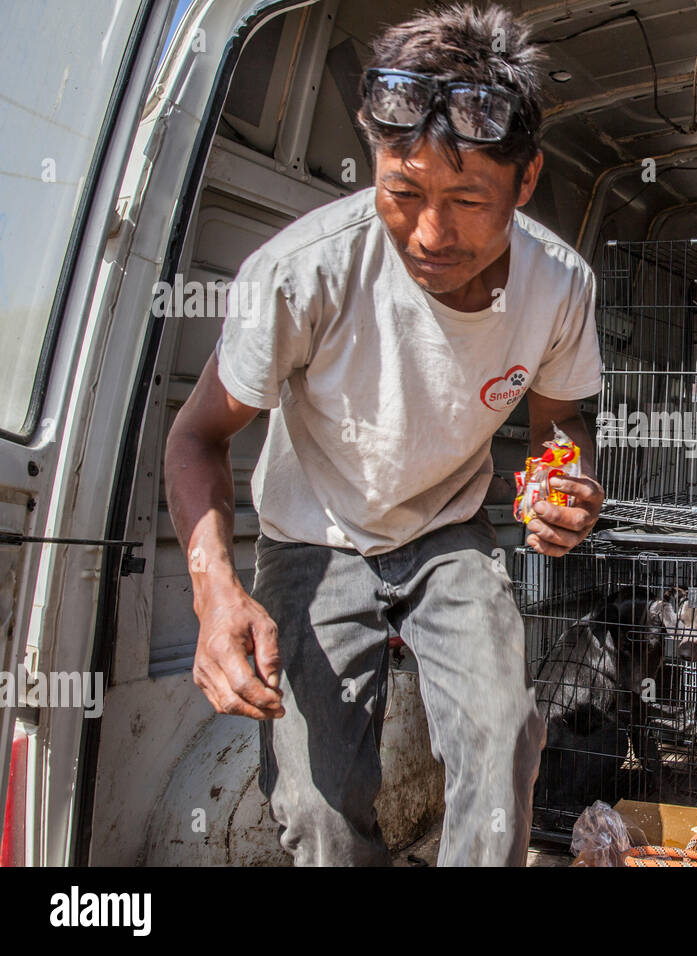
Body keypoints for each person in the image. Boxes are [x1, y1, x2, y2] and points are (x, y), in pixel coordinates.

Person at [163, 3, 604, 866]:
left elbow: (562, 425)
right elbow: (195, 438)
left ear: (524, 181)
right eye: (402, 193)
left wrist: (562, 479)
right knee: (321, 810)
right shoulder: (301, 273)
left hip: (447, 534)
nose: (430, 234)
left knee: (506, 737)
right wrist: (216, 591)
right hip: (309, 535)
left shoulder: (561, 288)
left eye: (469, 199)